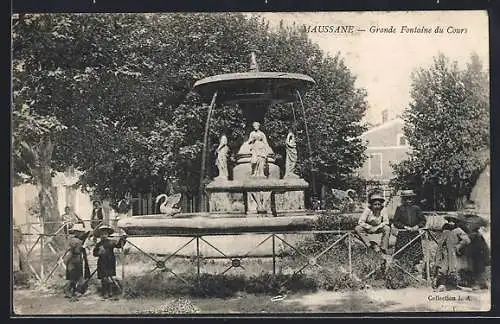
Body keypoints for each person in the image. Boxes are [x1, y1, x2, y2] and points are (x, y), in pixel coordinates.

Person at [433, 214, 471, 292]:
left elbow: (466, 240)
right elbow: (440, 241)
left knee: (453, 268)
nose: (451, 223)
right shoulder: (445, 230)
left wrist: (458, 246)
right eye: (449, 221)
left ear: (456, 222)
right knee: (442, 267)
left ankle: (454, 284)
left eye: (453, 221)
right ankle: (441, 284)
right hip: (443, 252)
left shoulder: (458, 230)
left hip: (453, 253)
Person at [457, 201, 490, 290]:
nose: (470, 210)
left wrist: (484, 229)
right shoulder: (461, 219)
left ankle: (480, 282)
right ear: (464, 209)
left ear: (476, 209)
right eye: (467, 208)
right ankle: (472, 281)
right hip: (464, 243)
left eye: (472, 208)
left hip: (477, 243)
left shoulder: (479, 219)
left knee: (478, 252)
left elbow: (487, 228)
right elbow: (456, 229)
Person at [392, 189, 427, 271]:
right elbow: (395, 221)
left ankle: (415, 267)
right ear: (403, 199)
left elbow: (423, 220)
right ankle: (402, 268)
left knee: (416, 252)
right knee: (402, 251)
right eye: (406, 199)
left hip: (414, 234)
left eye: (410, 198)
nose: (409, 201)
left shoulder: (416, 208)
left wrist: (417, 226)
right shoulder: (400, 208)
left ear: (413, 199)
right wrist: (404, 227)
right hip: (404, 234)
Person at [93, 225, 127, 300]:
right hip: (102, 262)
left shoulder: (111, 242)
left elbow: (118, 246)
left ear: (108, 234)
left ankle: (110, 292)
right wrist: (99, 252)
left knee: (110, 277)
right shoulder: (98, 244)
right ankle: (104, 292)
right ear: (100, 235)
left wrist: (123, 239)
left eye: (105, 234)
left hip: (110, 261)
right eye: (102, 234)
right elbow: (94, 254)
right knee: (103, 278)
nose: (103, 236)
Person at [63, 224, 91, 300]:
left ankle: (73, 291)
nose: (82, 234)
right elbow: (75, 251)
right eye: (81, 232)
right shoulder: (78, 241)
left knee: (73, 277)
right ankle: (70, 291)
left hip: (73, 259)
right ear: (78, 233)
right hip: (75, 259)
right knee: (75, 277)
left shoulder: (71, 239)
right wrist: (83, 247)